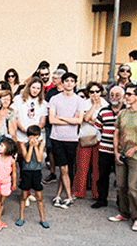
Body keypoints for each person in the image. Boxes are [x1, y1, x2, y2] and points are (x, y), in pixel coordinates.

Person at [109, 85, 137, 231]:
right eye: (126, 94)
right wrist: (116, 152)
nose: (126, 97)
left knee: (133, 188)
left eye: (129, 94)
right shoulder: (122, 113)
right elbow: (116, 133)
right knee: (120, 186)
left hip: (136, 155)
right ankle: (124, 213)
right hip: (121, 153)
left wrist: (135, 148)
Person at [48, 71, 85, 208]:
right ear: (62, 83)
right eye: (66, 81)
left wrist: (61, 117)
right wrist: (70, 119)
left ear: (75, 84)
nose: (69, 83)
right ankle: (69, 196)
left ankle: (58, 195)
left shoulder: (79, 100)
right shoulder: (55, 99)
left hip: (72, 139)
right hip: (57, 138)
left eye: (72, 81)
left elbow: (79, 120)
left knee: (67, 170)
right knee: (63, 168)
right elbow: (52, 120)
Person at [16, 124, 50, 228]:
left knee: (39, 197)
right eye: (31, 137)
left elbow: (39, 159)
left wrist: (35, 147)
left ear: (39, 136)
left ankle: (42, 219)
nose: (34, 139)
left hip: (36, 172)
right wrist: (31, 146)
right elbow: (27, 159)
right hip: (26, 172)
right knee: (23, 196)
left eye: (36, 137)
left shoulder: (41, 145)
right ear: (28, 137)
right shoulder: (23, 145)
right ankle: (21, 217)